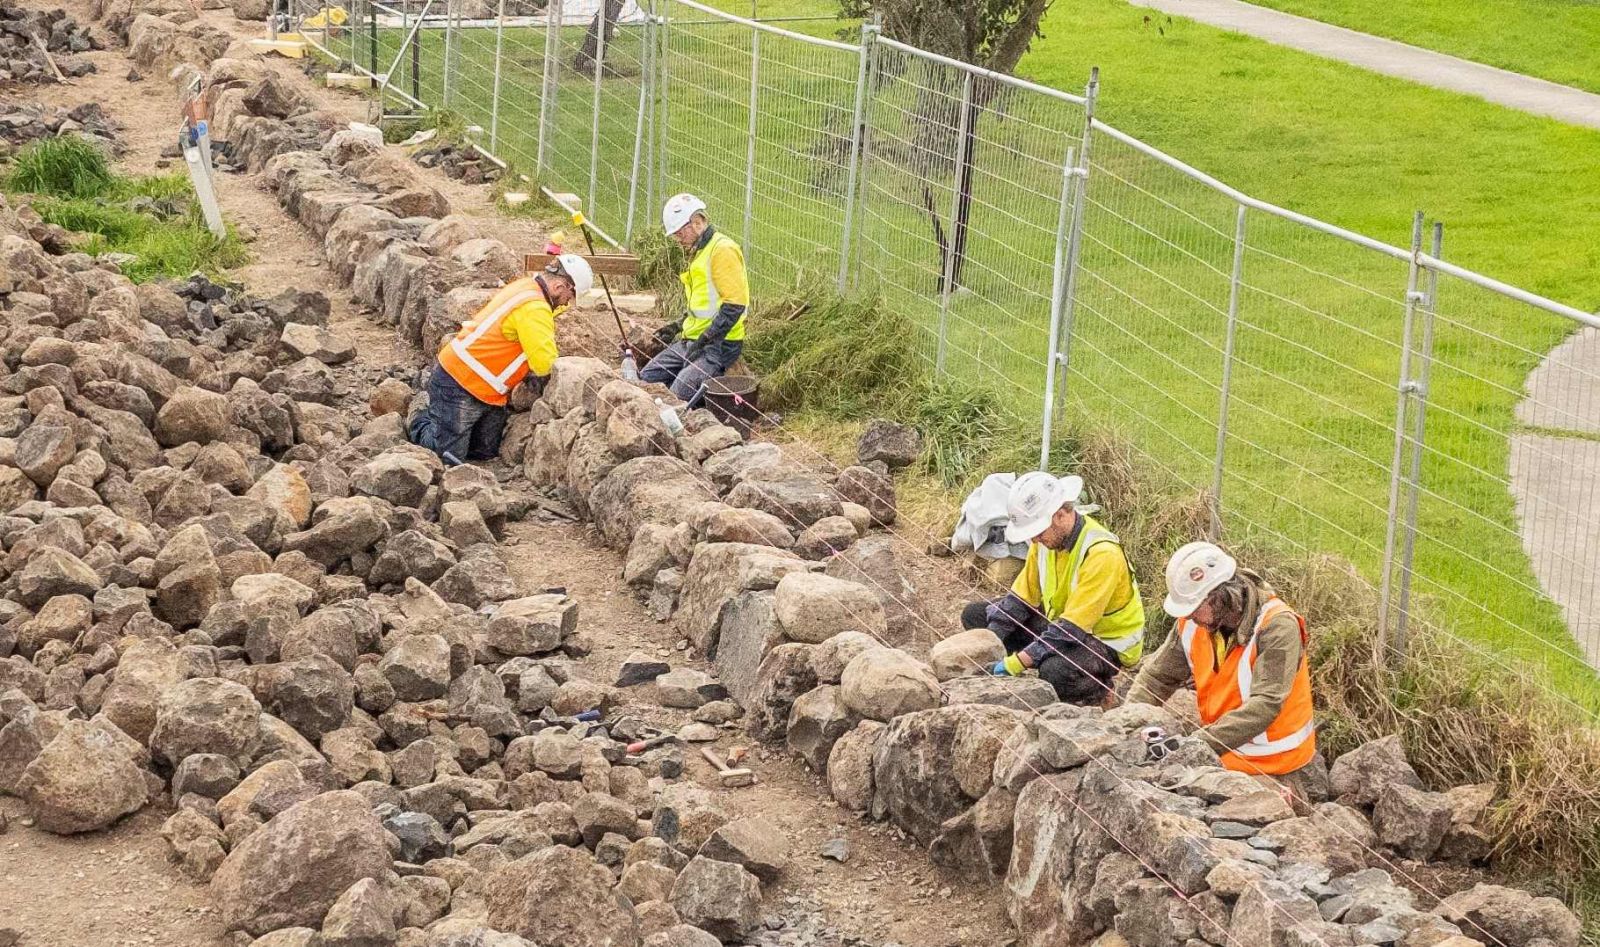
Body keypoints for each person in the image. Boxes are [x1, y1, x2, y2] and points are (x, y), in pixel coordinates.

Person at [1125, 541, 1326, 803]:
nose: (1190, 616)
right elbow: (1155, 678)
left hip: (1273, 760)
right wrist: (1127, 720)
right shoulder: (1193, 623)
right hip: (1222, 747)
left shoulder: (1277, 626)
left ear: (1221, 597)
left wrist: (1198, 744)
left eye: (1195, 607)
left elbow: (1265, 704)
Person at [961, 471, 1146, 704]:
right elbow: (1020, 600)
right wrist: (991, 640)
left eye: (1038, 532)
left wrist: (1014, 663)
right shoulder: (1046, 542)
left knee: (1054, 672)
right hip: (1061, 625)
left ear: (1060, 515)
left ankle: (1100, 692)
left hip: (1104, 640)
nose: (1035, 540)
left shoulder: (1101, 554)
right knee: (976, 616)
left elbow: (1071, 630)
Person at [409, 254, 594, 464]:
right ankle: (419, 417)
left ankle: (440, 418)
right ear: (560, 286)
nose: (568, 303)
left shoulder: (528, 287)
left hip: (488, 390)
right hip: (459, 382)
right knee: (448, 457)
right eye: (571, 295)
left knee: (484, 452)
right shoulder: (535, 308)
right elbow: (545, 364)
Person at [643, 193, 748, 403]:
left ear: (696, 223)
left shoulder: (722, 250)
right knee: (646, 379)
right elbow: (702, 304)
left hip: (719, 345)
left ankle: (708, 396)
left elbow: (735, 305)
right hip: (692, 339)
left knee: (676, 398)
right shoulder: (699, 252)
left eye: (680, 233)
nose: (677, 240)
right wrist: (677, 326)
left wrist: (706, 339)